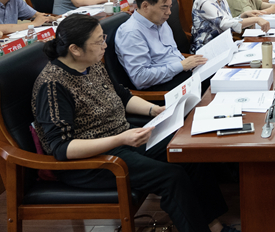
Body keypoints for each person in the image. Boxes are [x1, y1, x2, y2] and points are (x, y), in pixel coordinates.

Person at [32, 14, 231, 232]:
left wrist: (155, 110)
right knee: (171, 177)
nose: (105, 45)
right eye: (98, 41)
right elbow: (62, 148)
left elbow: (123, 96)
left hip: (122, 139)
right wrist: (120, 139)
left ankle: (215, 227)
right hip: (90, 162)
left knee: (187, 152)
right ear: (75, 49)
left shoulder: (90, 64)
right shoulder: (52, 85)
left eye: (103, 38)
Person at [116, 0, 207, 91]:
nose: (169, 12)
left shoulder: (159, 21)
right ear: (145, 6)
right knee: (211, 82)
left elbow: (172, 53)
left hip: (180, 71)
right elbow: (140, 77)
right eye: (164, 7)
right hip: (161, 85)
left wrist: (187, 64)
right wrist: (181, 66)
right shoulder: (131, 33)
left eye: (170, 7)